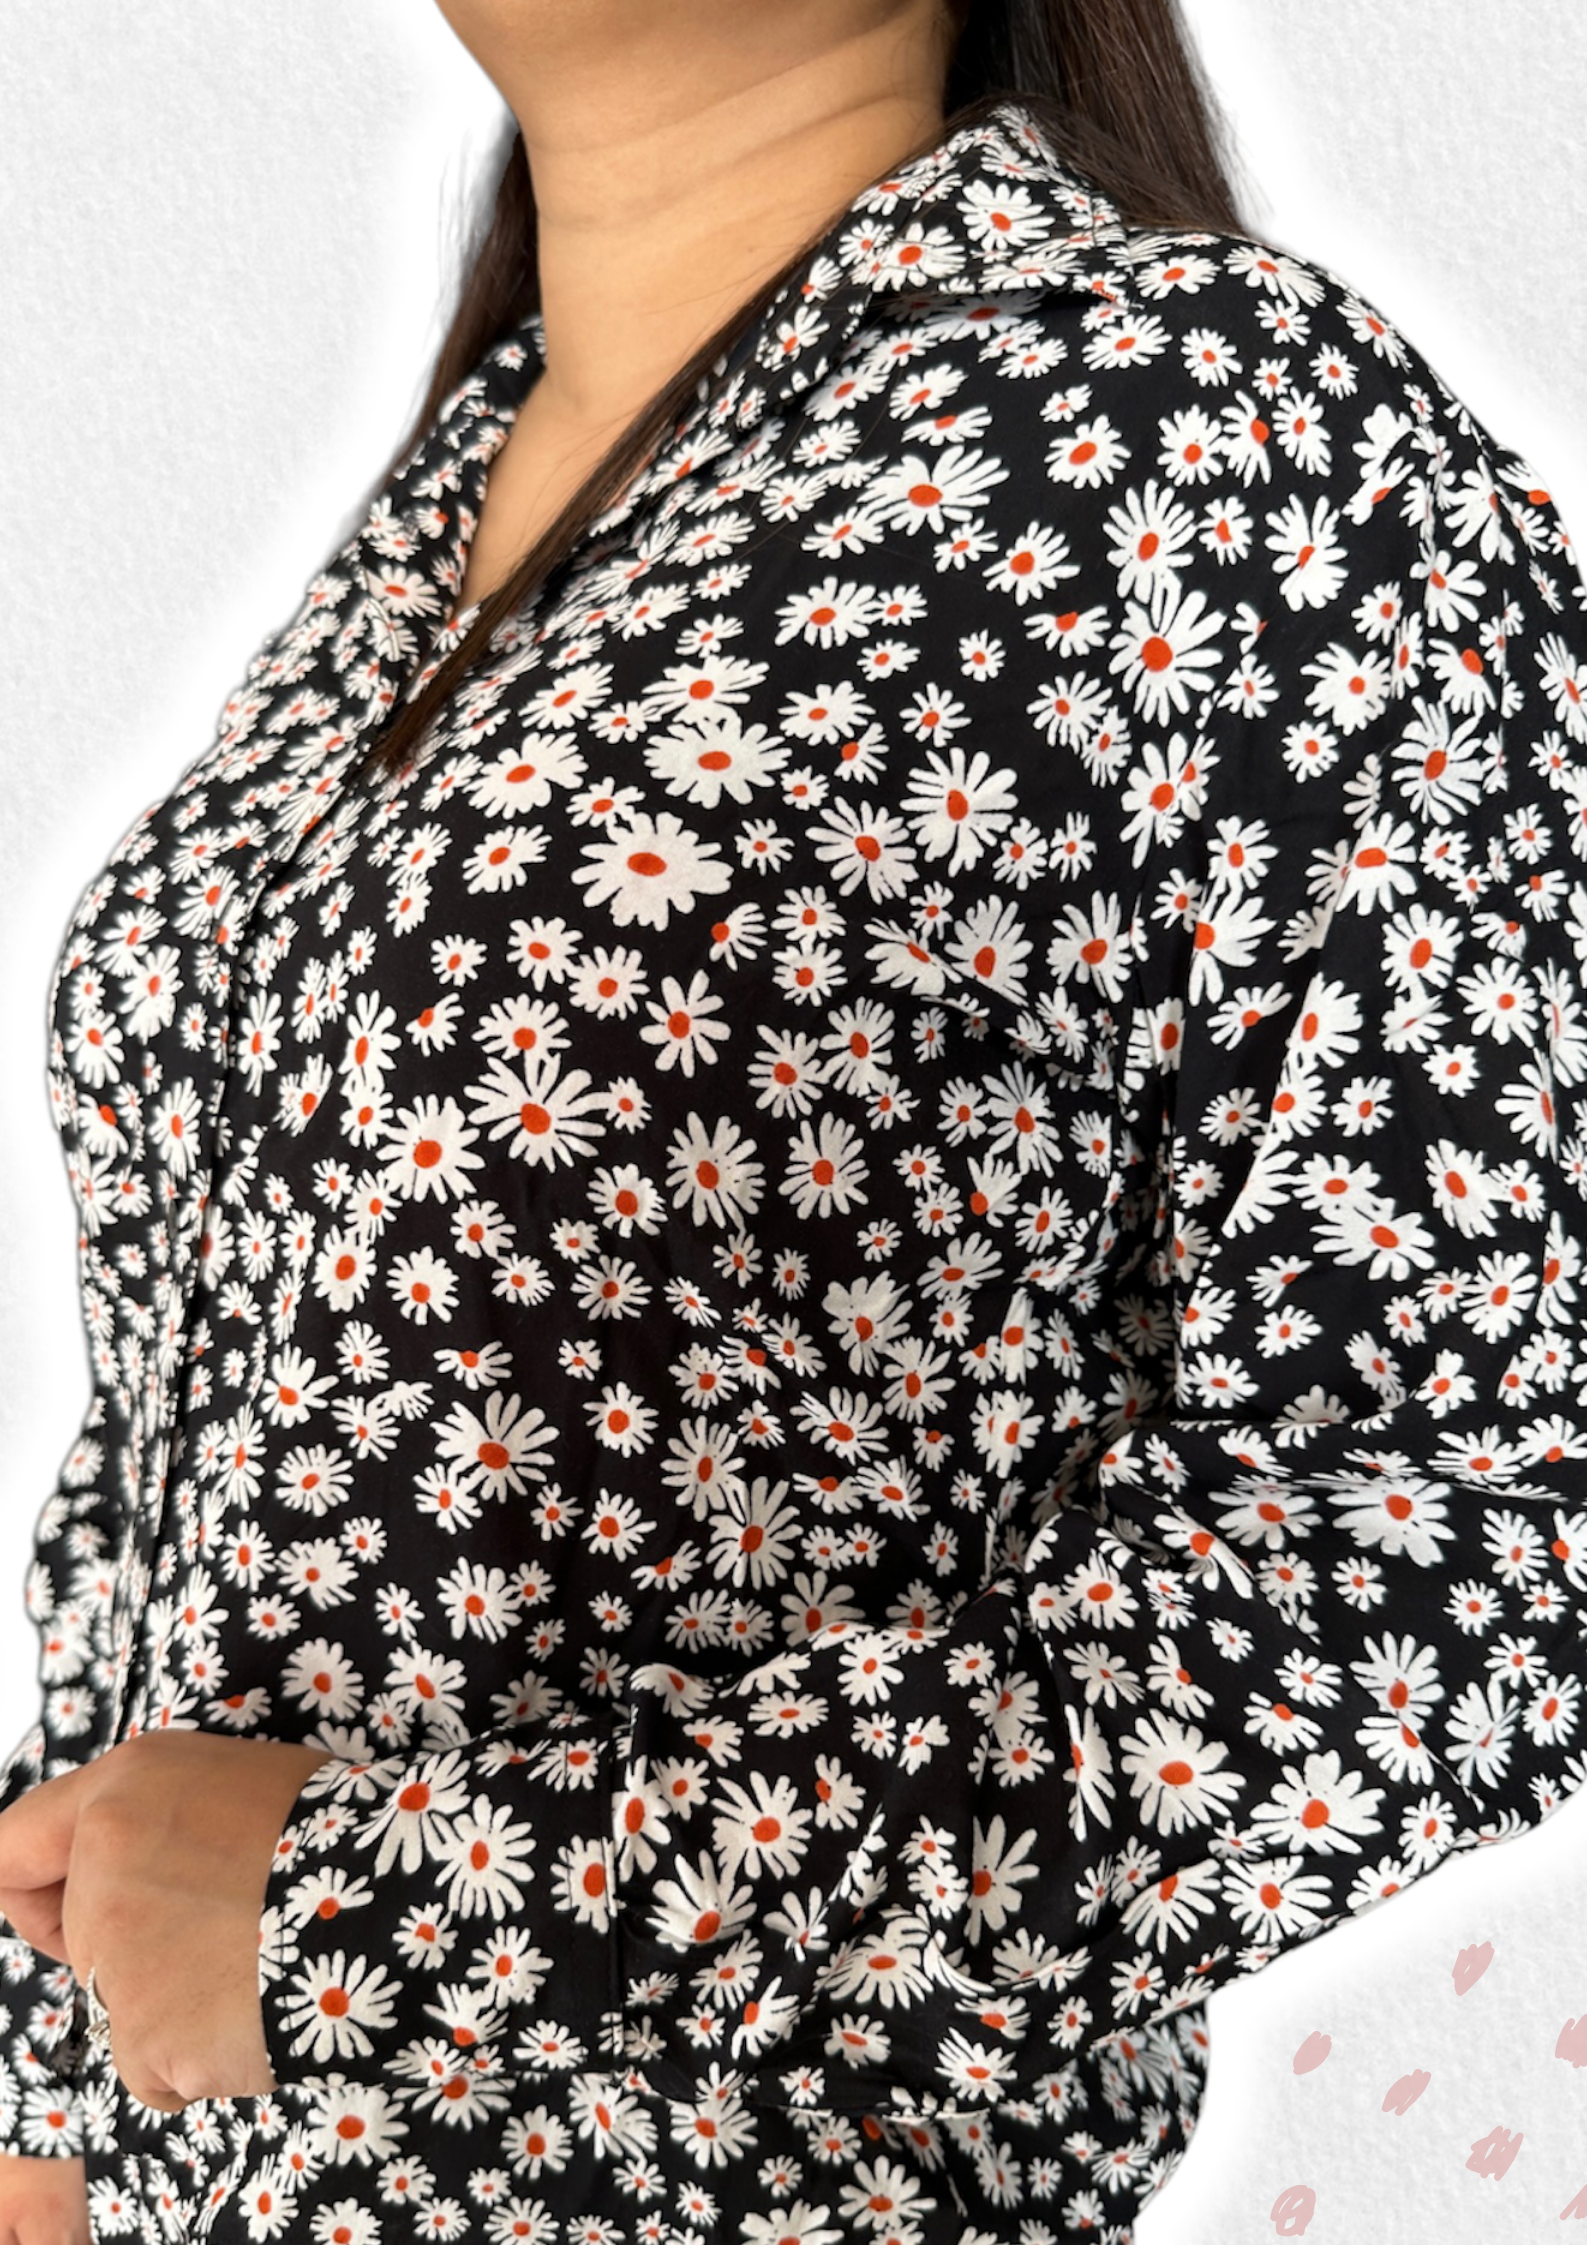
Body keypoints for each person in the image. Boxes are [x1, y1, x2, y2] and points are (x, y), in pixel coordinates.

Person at [1, 0, 1585, 2239]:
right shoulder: (458, 505)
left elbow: (1462, 1544)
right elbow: (183, 1469)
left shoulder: (1208, 426)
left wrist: (394, 1913)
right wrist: (47, 2119)